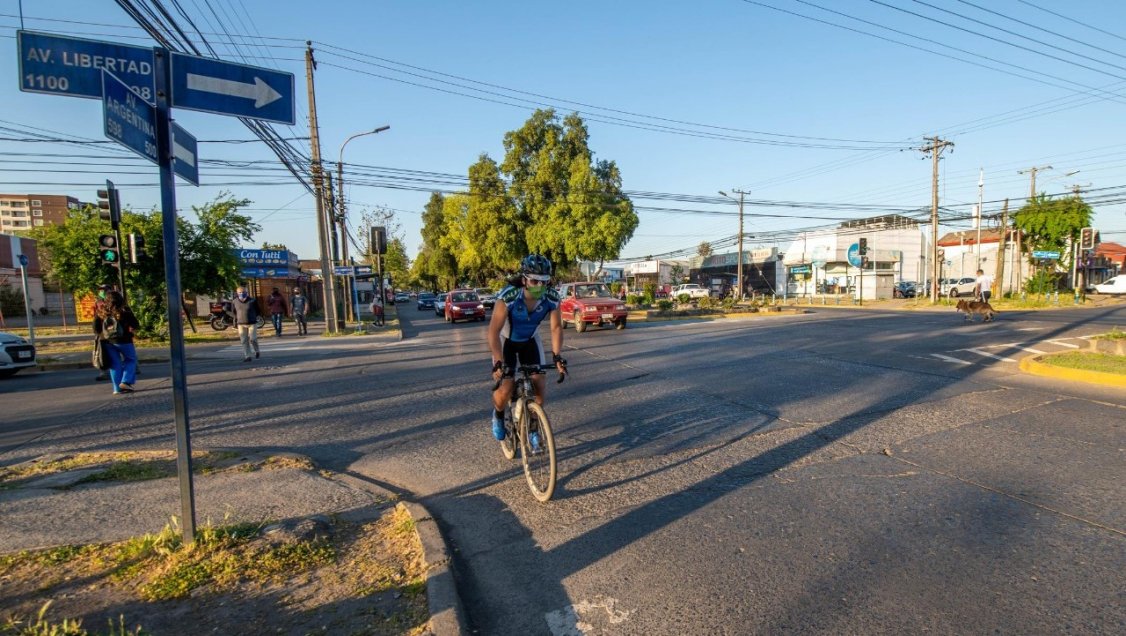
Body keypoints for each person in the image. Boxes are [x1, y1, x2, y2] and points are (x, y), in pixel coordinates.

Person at [486, 254, 567, 447]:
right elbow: (493, 331)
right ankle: (498, 415)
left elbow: (556, 328)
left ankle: (533, 428)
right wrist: (498, 362)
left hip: (530, 341)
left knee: (539, 385)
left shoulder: (552, 297)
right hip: (506, 341)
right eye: (534, 280)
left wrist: (557, 355)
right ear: (524, 280)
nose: (539, 285)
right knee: (505, 388)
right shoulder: (509, 296)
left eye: (544, 281)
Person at [93, 290, 140, 394]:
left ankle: (116, 389)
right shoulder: (124, 310)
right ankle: (125, 381)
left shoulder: (101, 311)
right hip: (125, 340)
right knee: (130, 360)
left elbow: (96, 329)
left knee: (115, 365)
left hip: (107, 342)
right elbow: (135, 324)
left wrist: (104, 334)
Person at [232, 286, 260, 362]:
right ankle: (248, 356)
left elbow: (258, 311)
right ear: (237, 293)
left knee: (253, 339)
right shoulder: (235, 301)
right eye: (240, 292)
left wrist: (253, 316)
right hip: (241, 323)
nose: (242, 294)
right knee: (244, 340)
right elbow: (233, 312)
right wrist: (237, 319)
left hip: (252, 323)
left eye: (243, 292)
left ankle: (257, 350)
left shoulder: (252, 301)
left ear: (246, 293)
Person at [93, 284, 113, 382]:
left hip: (112, 330)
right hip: (102, 331)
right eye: (101, 290)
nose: (102, 292)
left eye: (104, 290)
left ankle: (133, 367)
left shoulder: (114, 301)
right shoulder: (98, 302)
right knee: (102, 352)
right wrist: (97, 331)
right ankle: (104, 372)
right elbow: (95, 316)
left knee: (119, 349)